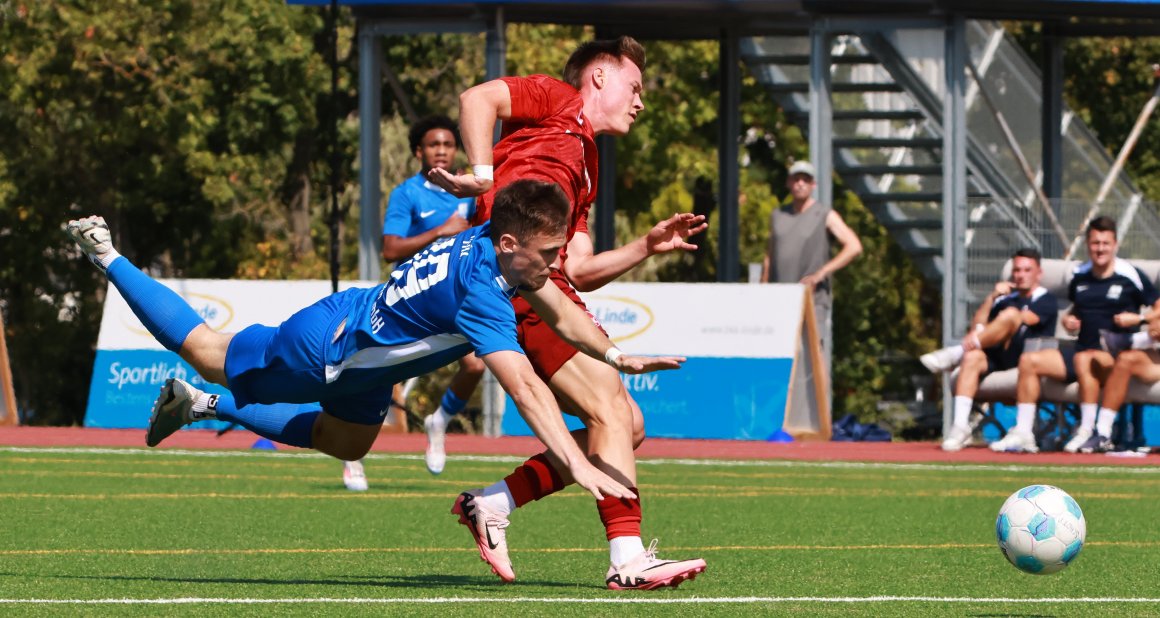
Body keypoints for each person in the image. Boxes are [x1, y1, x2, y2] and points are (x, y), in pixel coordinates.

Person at [65, 181, 684, 509]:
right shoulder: (483, 290)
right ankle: (106, 252)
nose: (556, 263)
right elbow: (523, 388)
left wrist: (615, 357)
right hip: (329, 346)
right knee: (208, 351)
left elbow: (558, 307)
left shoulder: (494, 249)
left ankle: (199, 407)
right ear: (510, 244)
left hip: (362, 361)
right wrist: (575, 465)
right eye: (548, 252)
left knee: (347, 441)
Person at [428, 36, 708, 590]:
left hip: (545, 281)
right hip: (518, 275)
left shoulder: (587, 160)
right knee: (610, 406)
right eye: (636, 86)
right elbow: (477, 99)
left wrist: (645, 247)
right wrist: (483, 174)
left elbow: (577, 268)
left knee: (628, 424)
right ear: (599, 77)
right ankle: (627, 558)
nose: (640, 102)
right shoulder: (557, 98)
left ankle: (493, 502)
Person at [341, 115, 481, 490]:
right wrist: (440, 231)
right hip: (413, 299)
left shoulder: (471, 191)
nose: (441, 151)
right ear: (419, 152)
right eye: (433, 145)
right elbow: (390, 249)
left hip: (458, 298)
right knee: (376, 375)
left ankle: (439, 421)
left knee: (477, 364)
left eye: (448, 145)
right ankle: (353, 455)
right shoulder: (408, 193)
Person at [995, 216, 1160, 454]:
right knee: (1030, 361)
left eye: (1105, 243)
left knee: (1087, 358)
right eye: (1095, 243)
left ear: (1115, 244)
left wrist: (1139, 320)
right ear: (1088, 244)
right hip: (1080, 349)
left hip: (1113, 355)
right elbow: (1073, 310)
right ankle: (1023, 432)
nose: (1100, 249)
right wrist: (1068, 320)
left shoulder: (1130, 275)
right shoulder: (1079, 274)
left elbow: (1157, 309)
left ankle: (1088, 430)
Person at [918, 248, 1058, 451]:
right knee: (973, 356)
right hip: (994, 356)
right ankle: (959, 427)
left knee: (1010, 315)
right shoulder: (1005, 298)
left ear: (1039, 273)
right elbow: (977, 327)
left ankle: (956, 352)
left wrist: (1008, 315)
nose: (1020, 275)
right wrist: (992, 297)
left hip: (1025, 360)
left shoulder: (1046, 299)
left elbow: (1025, 319)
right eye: (1017, 270)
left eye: (1027, 270)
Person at [760, 160, 862, 375]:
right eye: (796, 179)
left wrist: (821, 273)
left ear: (813, 184)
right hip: (780, 299)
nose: (800, 184)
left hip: (812, 298)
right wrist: (763, 290)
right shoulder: (778, 215)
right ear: (788, 183)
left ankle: (820, 408)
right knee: (779, 353)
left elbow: (853, 246)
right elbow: (769, 255)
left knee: (813, 353)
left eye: (805, 180)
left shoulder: (824, 214)